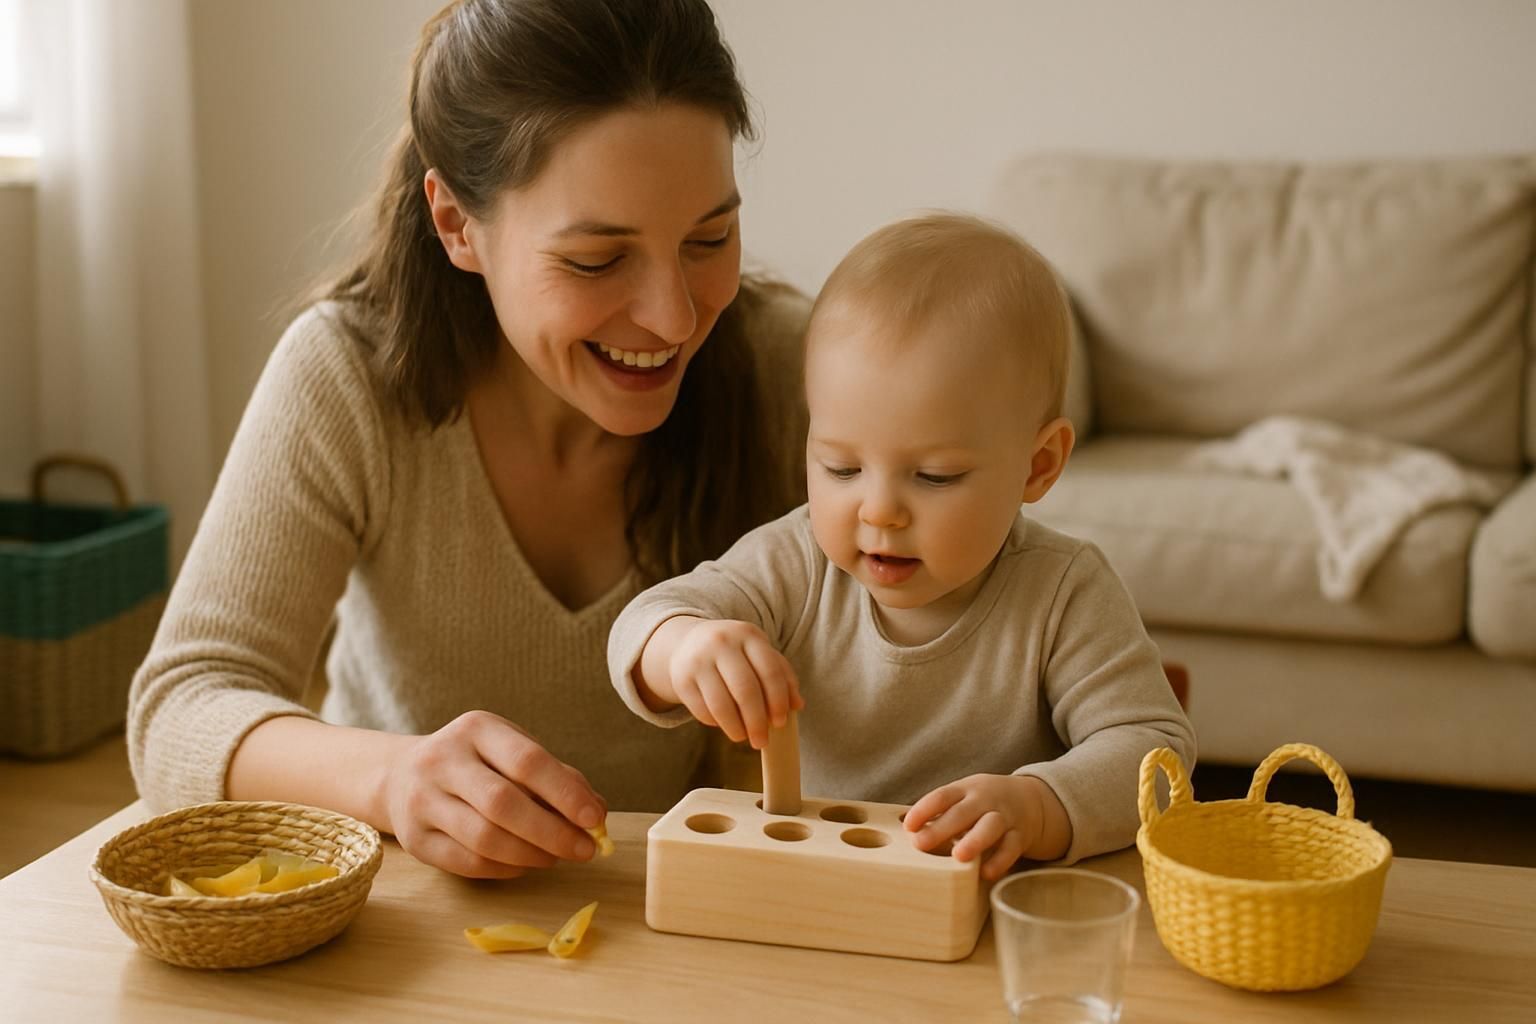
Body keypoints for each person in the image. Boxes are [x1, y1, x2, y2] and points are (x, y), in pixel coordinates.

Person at [127, 0, 809, 880]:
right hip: (396, 914)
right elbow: (180, 708)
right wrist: (393, 779)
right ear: (457, 224)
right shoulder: (349, 375)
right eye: (598, 260)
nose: (675, 316)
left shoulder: (785, 365)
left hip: (659, 916)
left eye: (709, 238)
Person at [608, 213, 1196, 879]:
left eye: (934, 476)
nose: (879, 511)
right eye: (841, 468)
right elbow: (643, 623)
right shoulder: (796, 562)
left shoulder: (1064, 593)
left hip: (995, 909)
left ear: (1038, 467)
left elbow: (1159, 759)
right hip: (826, 890)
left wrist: (1040, 806)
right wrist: (683, 646)